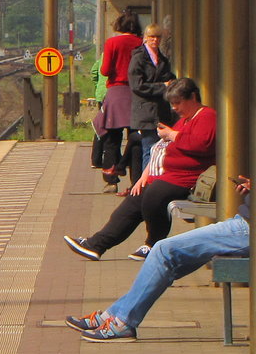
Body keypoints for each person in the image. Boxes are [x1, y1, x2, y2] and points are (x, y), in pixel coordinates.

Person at [67, 175, 250, 341]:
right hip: (243, 222)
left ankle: (122, 321)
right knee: (165, 259)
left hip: (246, 228)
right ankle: (115, 315)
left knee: (164, 250)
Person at [64, 78, 215, 261]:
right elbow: (164, 147)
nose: (175, 108)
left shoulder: (207, 116)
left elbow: (200, 144)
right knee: (135, 199)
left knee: (154, 196)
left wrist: (172, 135)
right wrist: (147, 173)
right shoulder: (185, 119)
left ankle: (154, 244)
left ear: (192, 97)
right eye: (172, 103)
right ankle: (96, 244)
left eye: (178, 103)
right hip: (170, 175)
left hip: (188, 178)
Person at [98, 11, 143, 192]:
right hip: (137, 94)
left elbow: (105, 70)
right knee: (136, 138)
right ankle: (136, 182)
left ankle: (111, 180)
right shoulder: (141, 43)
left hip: (116, 93)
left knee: (112, 139)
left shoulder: (112, 43)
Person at [128, 23, 174, 170]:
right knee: (149, 149)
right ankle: (146, 186)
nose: (155, 40)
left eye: (158, 37)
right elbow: (137, 85)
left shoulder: (162, 59)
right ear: (145, 38)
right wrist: (163, 86)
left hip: (161, 111)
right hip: (146, 111)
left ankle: (152, 181)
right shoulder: (138, 58)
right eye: (152, 37)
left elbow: (168, 76)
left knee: (159, 150)